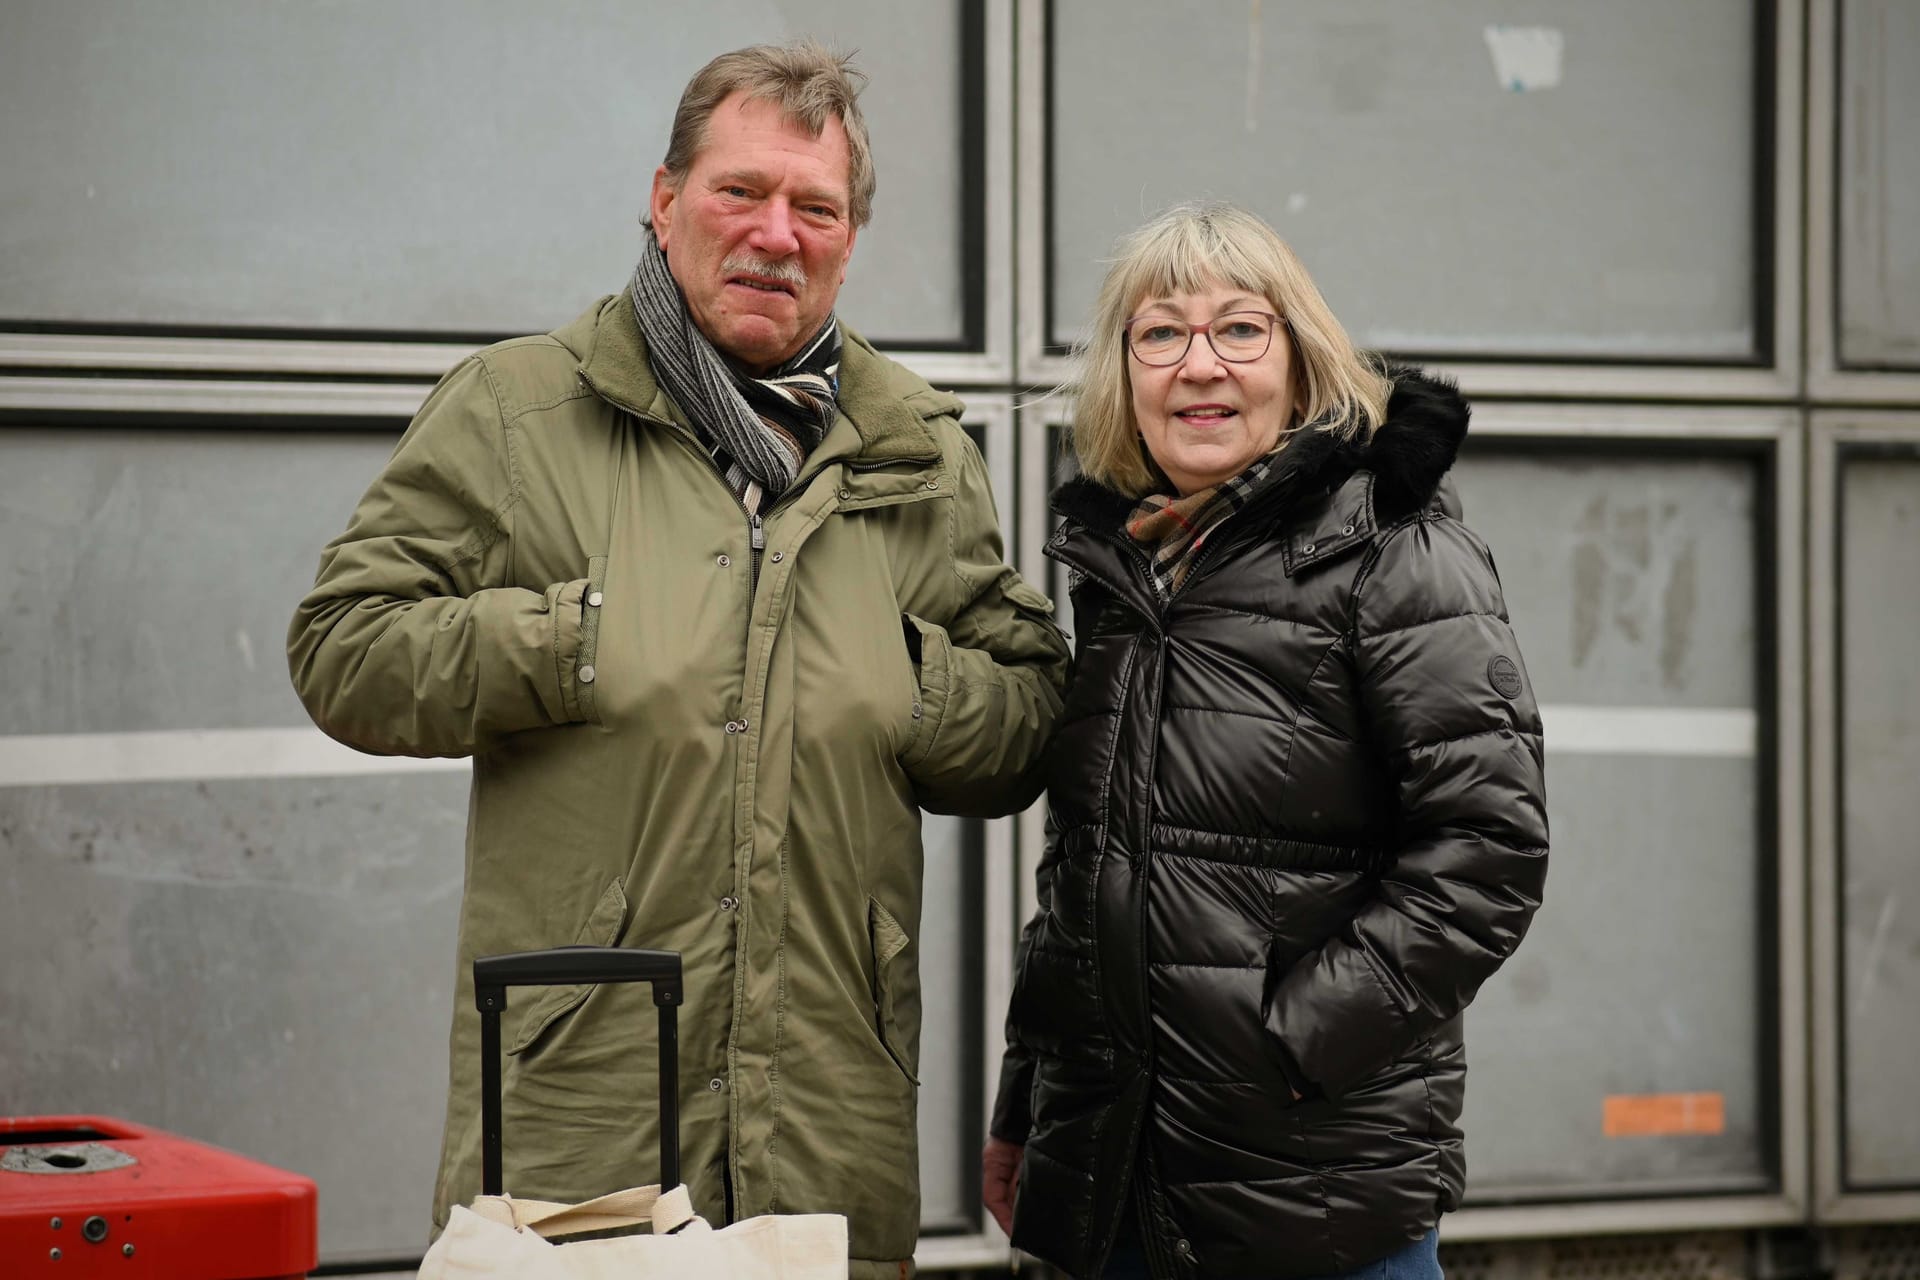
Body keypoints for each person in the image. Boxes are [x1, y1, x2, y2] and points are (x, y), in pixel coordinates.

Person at [288, 41, 1068, 1280]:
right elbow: (343, 647)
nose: (776, 232)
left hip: (828, 1110)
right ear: (663, 201)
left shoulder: (914, 448)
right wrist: (570, 640)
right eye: (739, 191)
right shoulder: (516, 408)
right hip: (577, 1095)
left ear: (849, 238)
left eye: (815, 206)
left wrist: (914, 684)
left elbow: (1030, 712)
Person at [981, 203, 1549, 1279]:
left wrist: (1286, 1043)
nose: (1200, 365)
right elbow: (1082, 872)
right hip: (1114, 1182)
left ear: (1300, 361)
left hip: (1316, 1193)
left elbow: (1488, 851)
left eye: (1240, 329)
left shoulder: (1392, 546)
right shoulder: (1124, 571)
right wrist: (1032, 1100)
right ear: (1124, 372)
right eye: (1160, 333)